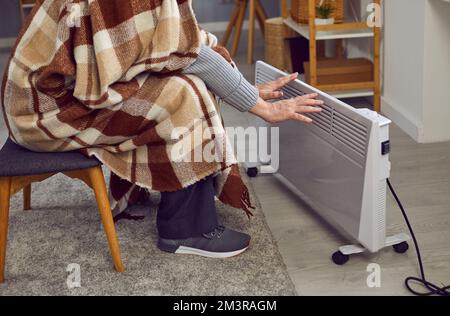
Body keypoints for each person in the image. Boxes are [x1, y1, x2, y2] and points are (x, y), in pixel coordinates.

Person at [2, 0, 323, 259]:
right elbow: (188, 56)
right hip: (46, 114)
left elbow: (187, 41)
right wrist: (260, 106)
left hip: (62, 95)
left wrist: (244, 88)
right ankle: (184, 229)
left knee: (187, 84)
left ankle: (174, 199)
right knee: (182, 94)